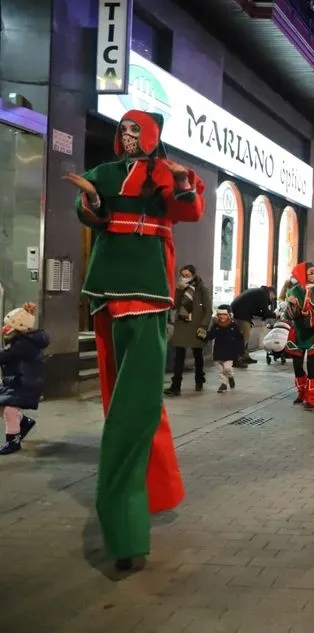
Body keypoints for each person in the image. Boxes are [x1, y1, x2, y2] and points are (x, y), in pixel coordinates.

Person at [66, 109, 201, 571]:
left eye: (135, 129)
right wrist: (92, 201)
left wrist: (179, 181)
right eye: (122, 129)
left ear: (150, 135)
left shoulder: (165, 172)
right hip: (106, 294)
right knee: (122, 401)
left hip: (147, 293)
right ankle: (142, 499)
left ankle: (125, 522)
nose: (126, 135)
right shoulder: (102, 173)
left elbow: (188, 210)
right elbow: (89, 215)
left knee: (136, 408)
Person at [0, 303, 48, 455]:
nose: (5, 329)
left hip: (26, 382)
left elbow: (5, 355)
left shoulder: (23, 344)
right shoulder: (21, 340)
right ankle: (24, 422)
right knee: (3, 406)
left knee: (9, 408)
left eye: (8, 326)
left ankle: (13, 441)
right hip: (18, 380)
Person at [284, 262, 314, 410]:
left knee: (312, 365)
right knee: (297, 365)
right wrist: (292, 306)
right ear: (302, 275)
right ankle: (301, 392)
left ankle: (310, 398)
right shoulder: (293, 291)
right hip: (298, 332)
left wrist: (310, 315)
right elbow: (288, 315)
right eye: (310, 273)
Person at [164, 265, 212, 396]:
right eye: (183, 275)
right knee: (179, 356)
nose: (184, 277)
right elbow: (175, 305)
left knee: (198, 354)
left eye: (187, 275)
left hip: (196, 325)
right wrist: (179, 290)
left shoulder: (202, 288)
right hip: (182, 324)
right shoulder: (180, 287)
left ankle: (199, 380)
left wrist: (203, 326)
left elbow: (208, 310)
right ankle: (176, 386)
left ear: (193, 275)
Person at [231, 285, 277, 367]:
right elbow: (265, 311)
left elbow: (257, 310)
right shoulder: (263, 294)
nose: (271, 299)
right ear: (271, 293)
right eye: (272, 297)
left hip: (239, 311)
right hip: (241, 314)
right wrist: (275, 315)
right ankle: (236, 360)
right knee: (243, 338)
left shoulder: (260, 292)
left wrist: (265, 315)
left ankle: (245, 357)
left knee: (245, 336)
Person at [205, 305, 244, 393]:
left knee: (227, 368)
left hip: (230, 351)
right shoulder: (216, 326)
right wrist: (204, 335)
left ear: (229, 315)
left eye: (224, 314)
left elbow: (240, 338)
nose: (222, 317)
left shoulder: (234, 326)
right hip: (218, 350)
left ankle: (230, 376)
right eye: (220, 315)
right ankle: (223, 384)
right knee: (220, 369)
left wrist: (240, 351)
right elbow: (211, 336)